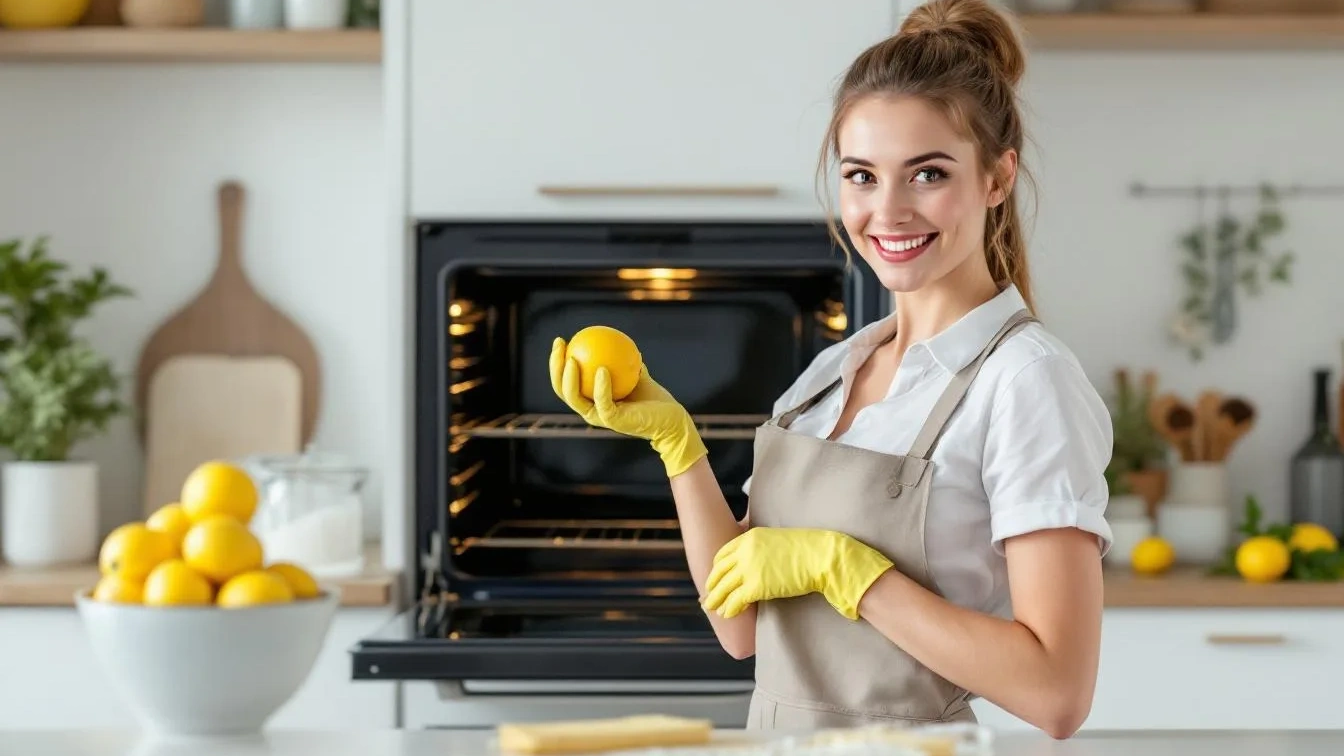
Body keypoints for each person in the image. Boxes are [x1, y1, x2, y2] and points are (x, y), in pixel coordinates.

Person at [548, 0, 1112, 740]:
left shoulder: (1025, 381)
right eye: (862, 176)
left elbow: (1056, 691)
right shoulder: (831, 372)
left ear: (998, 178)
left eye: (928, 174)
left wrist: (847, 570)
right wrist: (677, 445)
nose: (889, 212)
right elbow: (742, 627)